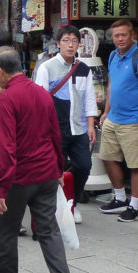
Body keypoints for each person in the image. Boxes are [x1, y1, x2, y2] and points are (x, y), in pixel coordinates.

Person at [0, 48, 76, 273]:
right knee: (49, 232)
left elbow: (7, 148)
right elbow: (55, 134)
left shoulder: (8, 99)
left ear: (1, 71)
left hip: (19, 177)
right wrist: (59, 168)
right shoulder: (42, 93)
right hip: (47, 173)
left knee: (5, 229)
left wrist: (0, 188)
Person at [35, 25, 96, 224]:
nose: (70, 45)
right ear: (58, 43)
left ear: (79, 44)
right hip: (54, 129)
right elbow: (40, 100)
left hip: (77, 127)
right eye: (66, 40)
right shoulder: (47, 67)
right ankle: (51, 207)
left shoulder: (83, 69)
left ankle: (73, 203)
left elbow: (89, 99)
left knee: (84, 165)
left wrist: (90, 124)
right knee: (53, 170)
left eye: (74, 41)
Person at [97, 19, 138, 223]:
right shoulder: (113, 55)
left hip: (133, 120)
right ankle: (120, 198)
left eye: (123, 35)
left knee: (136, 165)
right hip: (113, 118)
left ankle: (134, 206)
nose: (119, 39)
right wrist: (106, 112)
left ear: (132, 36)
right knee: (106, 157)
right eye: (116, 35)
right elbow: (111, 85)